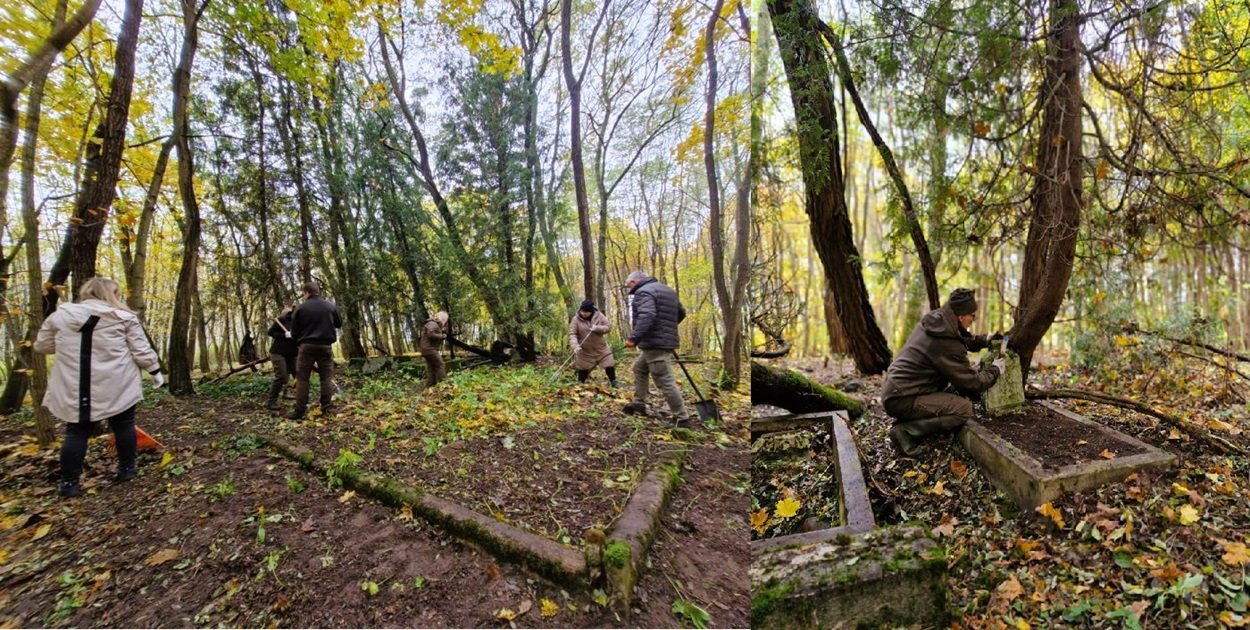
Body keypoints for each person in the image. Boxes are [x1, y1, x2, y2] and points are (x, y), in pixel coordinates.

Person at [34, 277, 163, 498]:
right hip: (117, 383)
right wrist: (155, 371)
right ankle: (127, 470)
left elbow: (42, 346)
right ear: (113, 294)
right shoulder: (123, 317)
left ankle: (69, 483)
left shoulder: (61, 316)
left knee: (76, 431)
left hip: (75, 386)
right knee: (123, 425)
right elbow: (140, 350)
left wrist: (68, 343)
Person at [880, 288, 1007, 456]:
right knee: (963, 409)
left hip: (899, 391)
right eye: (972, 315)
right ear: (961, 317)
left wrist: (985, 339)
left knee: (958, 386)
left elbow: (959, 340)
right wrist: (995, 370)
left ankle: (912, 418)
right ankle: (906, 431)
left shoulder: (938, 322)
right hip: (902, 398)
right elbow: (972, 384)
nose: (974, 319)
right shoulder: (945, 341)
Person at [621, 271, 691, 425]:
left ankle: (681, 417)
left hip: (655, 343)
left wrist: (634, 338)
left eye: (629, 285)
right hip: (659, 341)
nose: (630, 288)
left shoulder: (643, 292)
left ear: (633, 282)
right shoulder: (667, 291)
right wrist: (666, 328)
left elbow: (647, 315)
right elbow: (681, 313)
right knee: (639, 368)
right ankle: (639, 403)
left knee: (664, 379)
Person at [288, 281, 341, 419]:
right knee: (326, 377)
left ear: (306, 293)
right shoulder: (330, 306)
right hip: (325, 346)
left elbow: (294, 332)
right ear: (318, 291)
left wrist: (298, 343)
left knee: (302, 379)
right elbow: (338, 323)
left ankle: (300, 411)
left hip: (306, 346)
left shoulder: (300, 308)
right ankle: (326, 408)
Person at [569, 299, 618, 387]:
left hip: (601, 348)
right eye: (582, 311)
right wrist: (575, 346)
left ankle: (614, 381)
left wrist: (598, 328)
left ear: (591, 311)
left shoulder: (599, 316)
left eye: (586, 312)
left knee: (609, 364)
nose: (584, 313)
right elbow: (573, 334)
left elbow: (608, 327)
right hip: (585, 350)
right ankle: (580, 384)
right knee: (583, 368)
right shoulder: (575, 319)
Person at [265, 306, 298, 411]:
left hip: (293, 353)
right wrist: (284, 335)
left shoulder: (300, 321)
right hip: (278, 352)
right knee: (281, 376)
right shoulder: (281, 320)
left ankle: (286, 393)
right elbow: (270, 332)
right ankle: (271, 402)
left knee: (296, 374)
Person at [419, 311, 449, 388]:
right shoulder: (432, 323)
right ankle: (443, 385)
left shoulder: (433, 324)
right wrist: (442, 336)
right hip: (429, 349)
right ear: (443, 318)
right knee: (440, 365)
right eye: (445, 320)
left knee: (431, 367)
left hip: (427, 349)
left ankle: (431, 384)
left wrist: (442, 332)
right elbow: (431, 334)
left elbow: (433, 334)